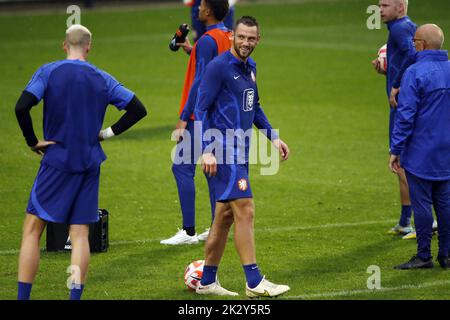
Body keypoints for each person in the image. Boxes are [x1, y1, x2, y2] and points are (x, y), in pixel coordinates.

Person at [15, 24, 147, 300]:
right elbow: (138, 109)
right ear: (89, 47)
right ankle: (74, 297)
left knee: (32, 230)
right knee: (79, 235)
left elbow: (21, 106)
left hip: (57, 162)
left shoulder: (49, 71)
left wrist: (32, 140)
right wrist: (105, 134)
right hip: (89, 163)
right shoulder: (102, 78)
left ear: (65, 45)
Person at [194, 16, 291, 297]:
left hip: (241, 151)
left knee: (224, 217)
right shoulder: (218, 68)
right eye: (241, 37)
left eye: (251, 38)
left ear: (258, 40)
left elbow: (254, 105)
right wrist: (206, 151)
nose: (246, 43)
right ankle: (254, 281)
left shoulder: (250, 68)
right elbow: (200, 110)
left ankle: (207, 281)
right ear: (233, 37)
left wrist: (273, 136)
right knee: (245, 209)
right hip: (223, 152)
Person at [161, 0, 232, 245]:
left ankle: (188, 232)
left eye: (201, 4)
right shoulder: (227, 36)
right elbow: (218, 66)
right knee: (213, 174)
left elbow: (199, 81)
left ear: (209, 10)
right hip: (220, 113)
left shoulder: (206, 41)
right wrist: (191, 50)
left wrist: (183, 118)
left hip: (198, 115)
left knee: (181, 168)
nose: (197, 7)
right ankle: (216, 229)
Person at [389, 24, 450, 269]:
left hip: (421, 152)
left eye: (415, 41)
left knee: (422, 204)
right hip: (447, 153)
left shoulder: (414, 73)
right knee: (445, 204)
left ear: (421, 45)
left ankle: (424, 255)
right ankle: (446, 255)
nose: (413, 45)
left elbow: (406, 116)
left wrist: (395, 149)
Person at [372, 0, 417, 239]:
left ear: (400, 7)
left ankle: (418, 222)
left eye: (386, 5)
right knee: (402, 165)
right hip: (402, 107)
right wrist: (386, 72)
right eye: (379, 5)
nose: (380, 10)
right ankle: (405, 221)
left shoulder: (400, 28)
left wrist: (396, 85)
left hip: (403, 109)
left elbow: (412, 55)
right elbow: (407, 58)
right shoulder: (402, 28)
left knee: (403, 164)